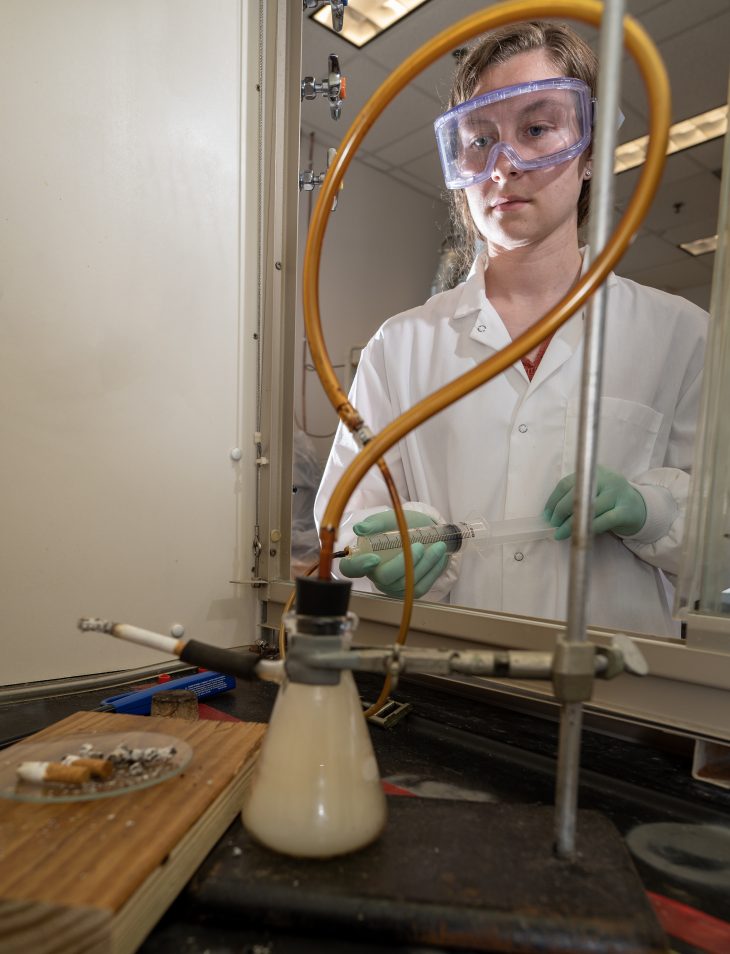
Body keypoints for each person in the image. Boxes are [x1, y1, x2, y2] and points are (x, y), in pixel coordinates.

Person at [314, 21, 707, 636]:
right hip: (444, 673)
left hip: (616, 684)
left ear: (590, 153)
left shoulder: (680, 334)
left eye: (537, 129)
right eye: (480, 140)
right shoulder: (400, 345)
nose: (504, 166)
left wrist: (654, 512)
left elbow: (720, 543)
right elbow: (343, 532)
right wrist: (388, 552)